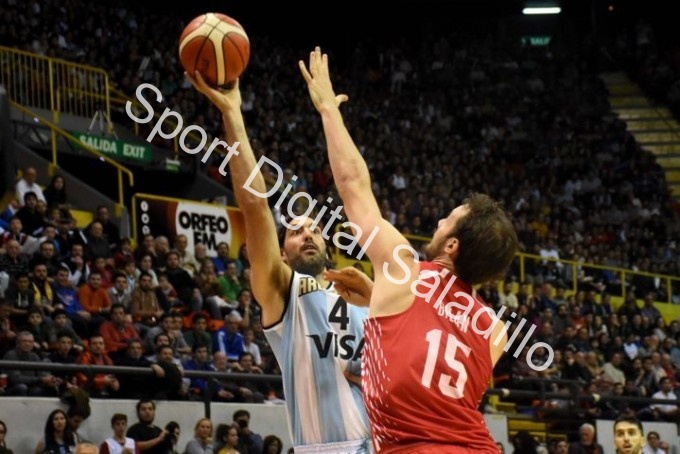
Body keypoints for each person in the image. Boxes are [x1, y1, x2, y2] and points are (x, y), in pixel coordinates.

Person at [299, 47, 517, 453]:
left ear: (452, 244)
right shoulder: (497, 330)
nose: (438, 221)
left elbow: (353, 186)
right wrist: (377, 297)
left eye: (447, 219)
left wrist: (328, 110)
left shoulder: (403, 268)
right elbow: (434, 353)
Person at [187, 71, 371, 452]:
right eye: (295, 231)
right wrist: (232, 115)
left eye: (315, 229)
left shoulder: (364, 297)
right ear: (282, 253)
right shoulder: (284, 290)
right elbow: (255, 205)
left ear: (328, 245)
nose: (308, 234)